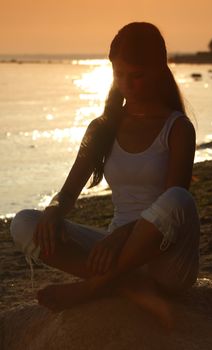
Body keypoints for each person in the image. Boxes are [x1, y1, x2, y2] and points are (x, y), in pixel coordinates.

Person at [10, 22, 200, 316]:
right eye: (119, 74)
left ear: (160, 70)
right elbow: (69, 192)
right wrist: (54, 209)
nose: (127, 84)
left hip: (166, 260)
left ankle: (93, 287)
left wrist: (120, 237)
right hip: (116, 253)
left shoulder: (177, 128)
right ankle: (126, 285)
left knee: (179, 199)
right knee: (23, 223)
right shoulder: (101, 128)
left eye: (136, 75)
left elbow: (172, 206)